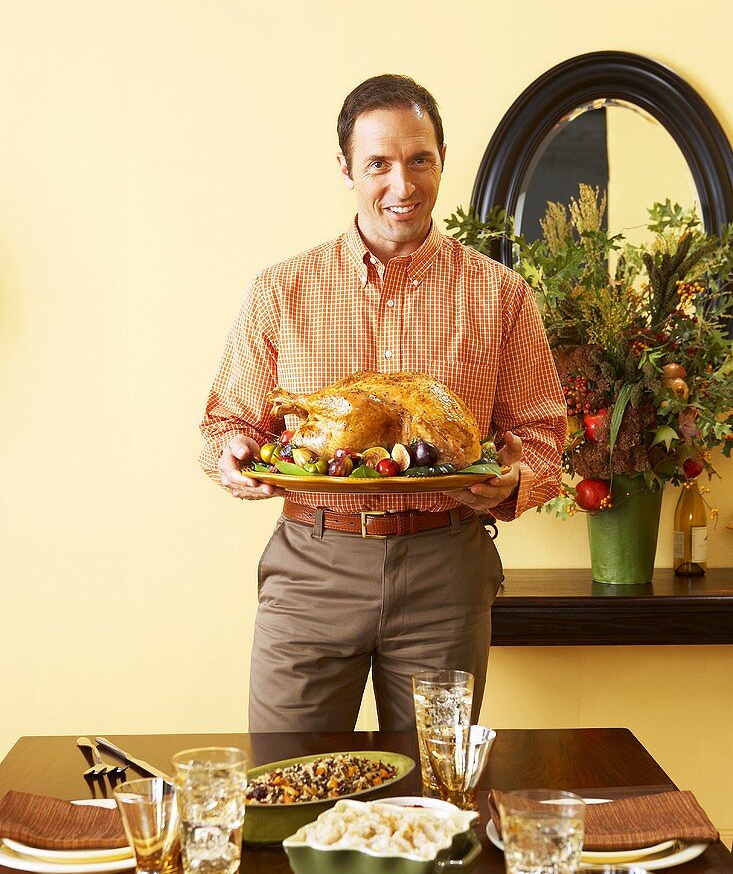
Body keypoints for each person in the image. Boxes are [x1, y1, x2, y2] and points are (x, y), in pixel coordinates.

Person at [199, 74, 566, 733]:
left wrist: (514, 481)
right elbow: (229, 421)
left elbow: (541, 435)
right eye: (378, 163)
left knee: (431, 800)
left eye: (418, 159)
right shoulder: (282, 290)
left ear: (441, 158)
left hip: (444, 571)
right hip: (313, 566)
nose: (402, 184)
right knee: (288, 788)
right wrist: (227, 454)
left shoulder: (499, 295)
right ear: (345, 168)